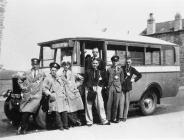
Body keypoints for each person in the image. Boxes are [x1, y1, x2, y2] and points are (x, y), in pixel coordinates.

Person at [17, 58, 45, 134]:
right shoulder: (27, 73)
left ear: (39, 65)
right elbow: (20, 80)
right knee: (24, 111)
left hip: (37, 95)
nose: (34, 66)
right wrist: (23, 87)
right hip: (27, 95)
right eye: (33, 64)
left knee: (27, 111)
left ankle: (22, 128)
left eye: (36, 64)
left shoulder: (42, 73)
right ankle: (23, 127)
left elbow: (46, 81)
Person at [42, 62, 69, 130]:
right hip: (54, 96)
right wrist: (49, 94)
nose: (53, 71)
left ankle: (66, 125)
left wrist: (64, 94)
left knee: (64, 111)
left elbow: (65, 84)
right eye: (52, 70)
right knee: (57, 112)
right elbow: (44, 88)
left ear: (57, 70)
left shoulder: (60, 77)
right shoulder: (47, 78)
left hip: (61, 96)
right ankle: (60, 126)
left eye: (55, 70)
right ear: (50, 70)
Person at [84, 58, 110, 126]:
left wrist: (100, 86)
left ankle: (104, 120)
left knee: (100, 105)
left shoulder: (101, 72)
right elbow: (85, 81)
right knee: (88, 105)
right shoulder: (88, 71)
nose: (95, 64)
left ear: (98, 64)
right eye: (93, 63)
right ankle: (89, 121)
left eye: (96, 63)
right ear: (91, 64)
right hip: (89, 88)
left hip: (98, 88)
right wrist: (89, 87)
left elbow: (105, 80)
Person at [59, 61, 84, 127]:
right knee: (67, 109)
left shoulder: (72, 73)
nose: (66, 66)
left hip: (72, 93)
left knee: (74, 109)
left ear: (69, 66)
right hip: (64, 93)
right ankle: (72, 122)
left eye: (67, 65)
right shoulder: (60, 74)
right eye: (64, 65)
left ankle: (76, 122)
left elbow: (81, 79)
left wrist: (76, 85)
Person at [121, 57, 142, 121]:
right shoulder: (122, 68)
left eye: (129, 62)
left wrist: (134, 79)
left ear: (131, 62)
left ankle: (125, 117)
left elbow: (139, 75)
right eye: (127, 62)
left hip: (128, 87)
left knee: (127, 103)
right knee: (121, 102)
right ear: (125, 62)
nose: (128, 63)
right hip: (122, 87)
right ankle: (120, 116)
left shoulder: (132, 69)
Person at [106, 56, 124, 123]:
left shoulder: (120, 69)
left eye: (116, 61)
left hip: (117, 88)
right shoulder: (109, 69)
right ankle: (108, 118)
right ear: (112, 61)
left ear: (118, 61)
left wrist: (118, 85)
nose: (115, 62)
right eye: (113, 61)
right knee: (109, 103)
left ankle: (114, 118)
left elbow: (122, 80)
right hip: (110, 87)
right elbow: (107, 79)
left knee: (116, 104)